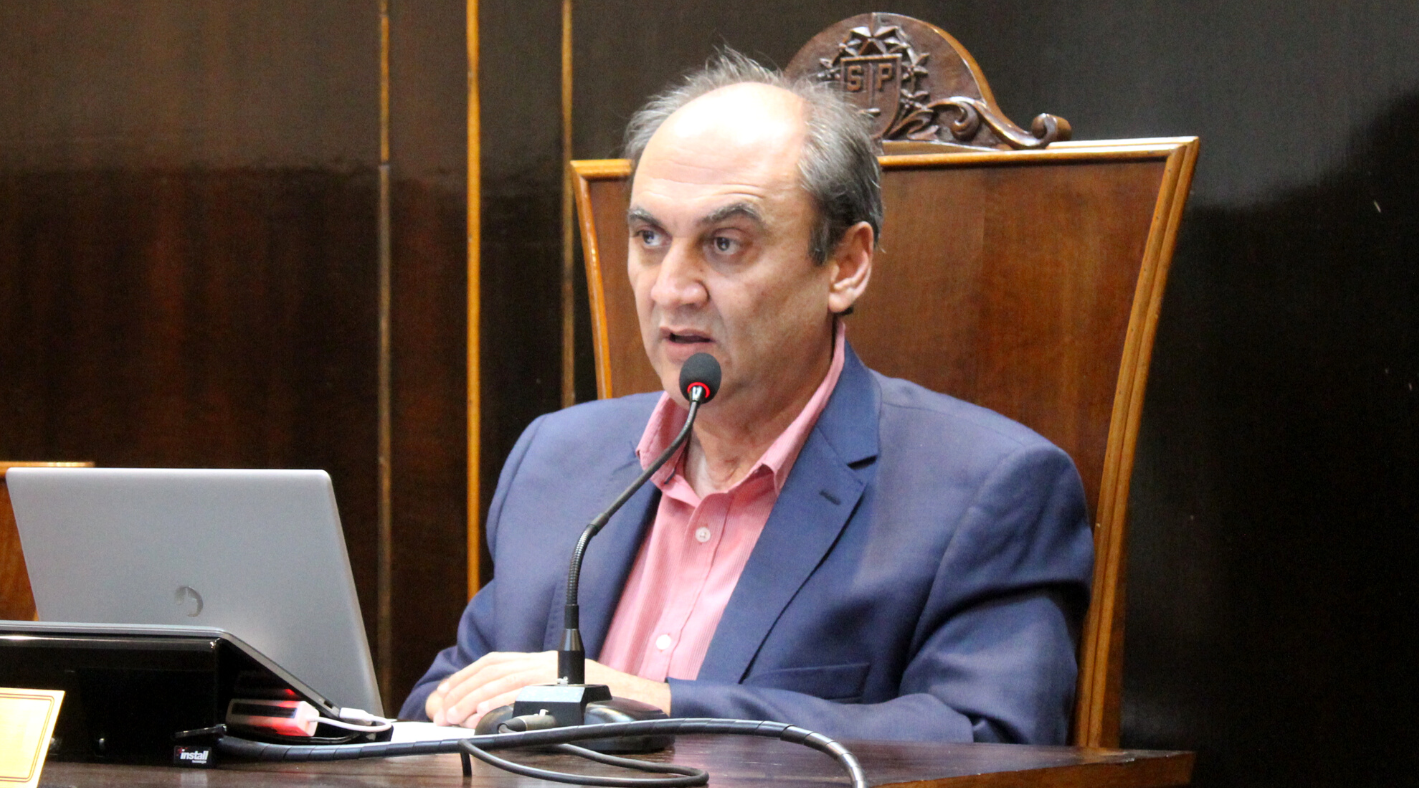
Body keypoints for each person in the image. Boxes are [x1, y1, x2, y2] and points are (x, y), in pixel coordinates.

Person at [398, 51, 1094, 744]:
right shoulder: (558, 460)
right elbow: (443, 705)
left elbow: (989, 744)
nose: (671, 288)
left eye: (725, 244)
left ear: (845, 266)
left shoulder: (986, 490)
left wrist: (663, 706)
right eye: (649, 238)